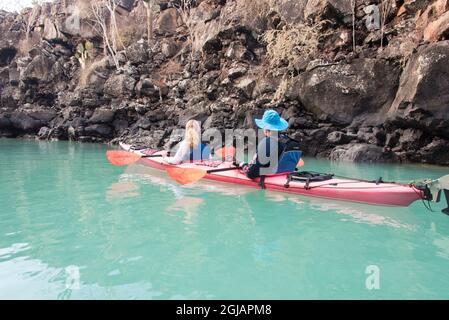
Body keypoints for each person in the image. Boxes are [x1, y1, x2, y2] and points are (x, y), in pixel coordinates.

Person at [240, 110, 302, 179]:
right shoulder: (289, 141)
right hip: (286, 175)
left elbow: (251, 174)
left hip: (272, 176)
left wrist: (243, 165)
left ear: (266, 129)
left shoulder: (266, 144)